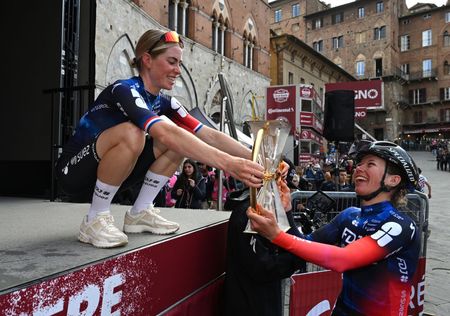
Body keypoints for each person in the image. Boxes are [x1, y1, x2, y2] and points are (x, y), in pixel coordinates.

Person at [55, 29, 264, 248]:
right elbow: (164, 132)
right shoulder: (124, 89)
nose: (177, 70)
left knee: (182, 140)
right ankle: (94, 218)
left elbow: (209, 134)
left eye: (180, 64)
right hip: (74, 173)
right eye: (172, 62)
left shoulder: (167, 102)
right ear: (147, 60)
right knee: (136, 132)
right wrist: (229, 164)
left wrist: (259, 160)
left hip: (114, 173)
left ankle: (140, 212)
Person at [247, 141, 421, 316]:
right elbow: (304, 243)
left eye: (370, 164)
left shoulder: (401, 226)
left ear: (393, 180)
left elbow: (343, 259)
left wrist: (276, 235)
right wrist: (287, 212)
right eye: (359, 163)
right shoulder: (349, 215)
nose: (359, 168)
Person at [223, 163, 305, 316]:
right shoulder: (248, 213)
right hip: (249, 305)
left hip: (265, 300)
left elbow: (298, 248)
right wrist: (296, 258)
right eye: (281, 181)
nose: (285, 189)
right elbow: (263, 267)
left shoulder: (269, 210)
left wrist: (287, 212)